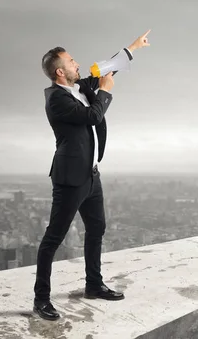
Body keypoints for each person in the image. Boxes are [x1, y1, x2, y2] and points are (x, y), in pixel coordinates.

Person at [33, 31, 150, 321]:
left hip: (91, 176)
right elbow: (92, 117)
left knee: (96, 229)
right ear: (60, 71)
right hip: (69, 178)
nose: (78, 64)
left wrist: (133, 48)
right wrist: (106, 92)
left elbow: (105, 69)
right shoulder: (56, 100)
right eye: (72, 62)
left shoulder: (80, 88)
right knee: (53, 239)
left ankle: (94, 285)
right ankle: (41, 300)